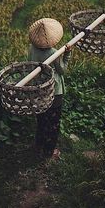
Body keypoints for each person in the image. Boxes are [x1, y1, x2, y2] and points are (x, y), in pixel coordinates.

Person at [28, 17, 72, 159]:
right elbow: (62, 70)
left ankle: (38, 145)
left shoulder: (32, 48)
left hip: (39, 89)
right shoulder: (53, 53)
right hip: (54, 92)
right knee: (53, 122)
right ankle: (49, 152)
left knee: (41, 119)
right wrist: (67, 54)